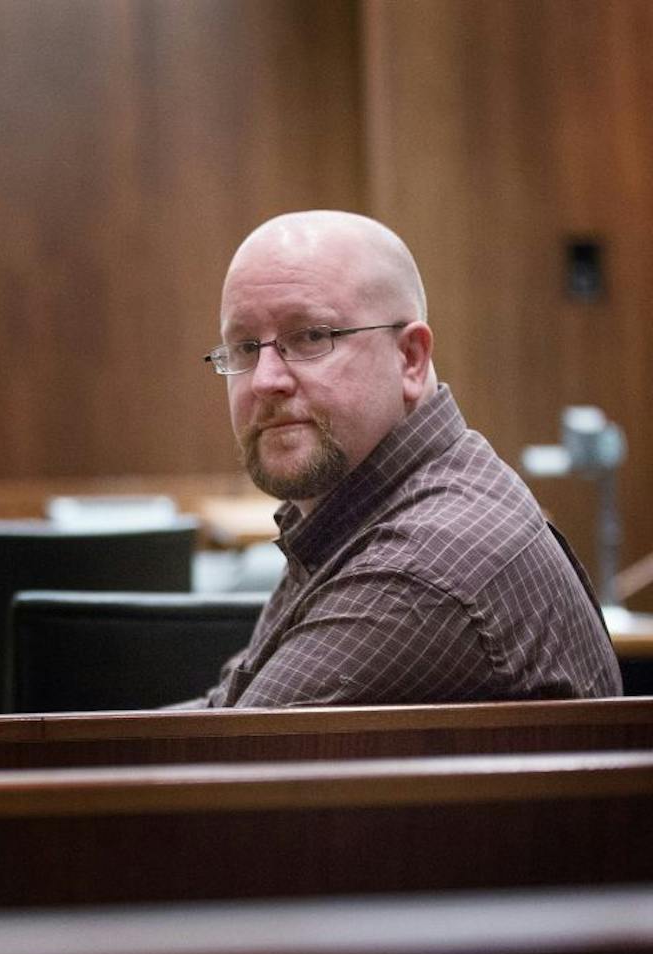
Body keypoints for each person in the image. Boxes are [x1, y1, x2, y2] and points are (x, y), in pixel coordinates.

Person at [180, 210, 620, 707]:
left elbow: (221, 761)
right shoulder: (352, 511)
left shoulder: (419, 569)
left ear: (410, 358)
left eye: (310, 337)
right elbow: (225, 711)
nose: (264, 380)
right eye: (243, 347)